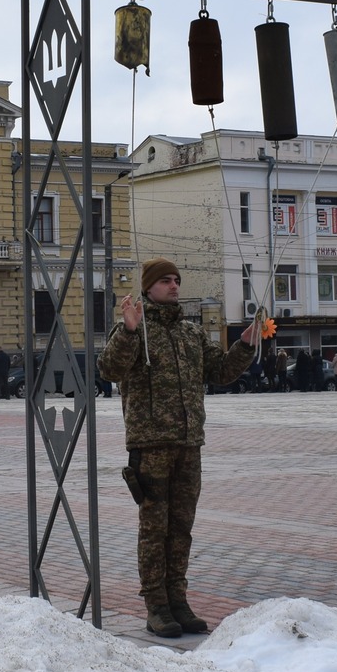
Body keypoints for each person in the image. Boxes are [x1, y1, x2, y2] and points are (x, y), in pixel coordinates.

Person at [102, 259, 260, 639]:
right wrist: (128, 329)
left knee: (181, 528)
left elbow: (219, 372)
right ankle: (156, 606)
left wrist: (245, 345)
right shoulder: (134, 330)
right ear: (148, 287)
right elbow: (109, 370)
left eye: (176, 280)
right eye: (165, 281)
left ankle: (178, 599)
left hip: (189, 444)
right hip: (150, 444)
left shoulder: (190, 335)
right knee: (154, 529)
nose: (174, 286)